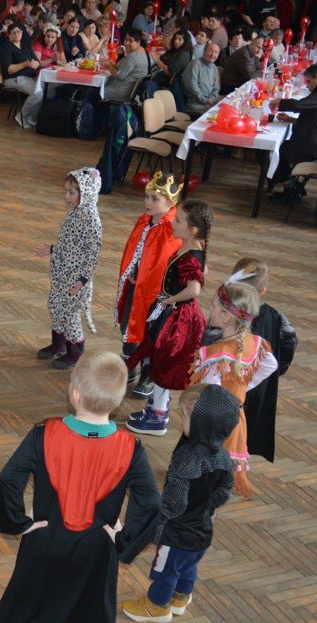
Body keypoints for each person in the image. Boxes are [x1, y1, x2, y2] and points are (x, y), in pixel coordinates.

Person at [0, 350, 161, 623]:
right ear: (116, 401)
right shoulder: (131, 448)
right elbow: (152, 504)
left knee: (43, 605)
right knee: (83, 605)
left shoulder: (44, 434)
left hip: (46, 542)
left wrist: (19, 522)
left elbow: (9, 481)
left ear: (75, 394)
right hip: (96, 550)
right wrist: (123, 539)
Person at [120, 383, 239, 623]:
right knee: (188, 565)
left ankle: (157, 606)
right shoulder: (225, 458)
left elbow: (175, 503)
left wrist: (159, 519)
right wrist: (204, 506)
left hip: (177, 534)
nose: (181, 421)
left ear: (202, 426)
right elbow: (223, 493)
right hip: (203, 530)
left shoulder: (185, 459)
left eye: (184, 417)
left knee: (165, 570)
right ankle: (181, 597)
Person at [125, 200, 212, 436]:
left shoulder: (190, 256)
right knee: (159, 361)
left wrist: (168, 300)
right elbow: (202, 271)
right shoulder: (192, 247)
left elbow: (194, 289)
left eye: (178, 221)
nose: (173, 223)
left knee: (165, 364)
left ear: (192, 229)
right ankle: (155, 408)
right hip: (173, 313)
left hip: (179, 319)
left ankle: (158, 417)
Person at [187, 279, 277, 497]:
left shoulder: (215, 355)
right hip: (235, 417)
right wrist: (243, 386)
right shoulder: (254, 343)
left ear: (226, 317)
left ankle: (205, 507)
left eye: (213, 306)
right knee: (220, 472)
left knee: (207, 474)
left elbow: (210, 393)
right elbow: (271, 364)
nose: (210, 309)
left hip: (213, 426)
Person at [116, 172, 184, 398]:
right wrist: (132, 271)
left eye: (155, 199)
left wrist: (151, 281)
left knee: (149, 333)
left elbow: (168, 263)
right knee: (128, 325)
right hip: (135, 287)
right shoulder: (144, 220)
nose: (148, 202)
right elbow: (134, 250)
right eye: (146, 196)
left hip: (156, 294)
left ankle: (148, 374)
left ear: (170, 203)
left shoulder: (172, 229)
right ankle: (130, 365)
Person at [230, 259, 297, 464]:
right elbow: (289, 343)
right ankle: (239, 462)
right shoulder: (277, 318)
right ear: (263, 291)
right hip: (260, 385)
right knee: (248, 429)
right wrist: (278, 371)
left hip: (231, 385)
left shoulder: (227, 314)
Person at [38, 167, 102, 370]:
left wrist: (82, 281)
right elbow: (71, 244)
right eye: (66, 191)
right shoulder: (75, 211)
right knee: (55, 306)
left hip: (76, 279)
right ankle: (59, 344)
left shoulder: (91, 219)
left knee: (70, 314)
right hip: (62, 273)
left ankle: (75, 353)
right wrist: (52, 249)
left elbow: (92, 255)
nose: (67, 196)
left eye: (71, 192)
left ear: (86, 193)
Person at [270, 64, 317, 204]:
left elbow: (300, 105)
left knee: (274, 150)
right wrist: (291, 119)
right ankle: (293, 185)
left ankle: (290, 189)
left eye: (309, 82)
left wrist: (280, 102)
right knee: (281, 146)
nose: (307, 86)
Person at [0, 23, 42, 128]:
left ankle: (31, 116)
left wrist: (35, 64)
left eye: (18, 32)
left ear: (22, 33)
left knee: (48, 90)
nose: (16, 34)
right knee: (38, 93)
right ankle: (22, 116)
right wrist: (24, 64)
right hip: (13, 78)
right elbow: (8, 69)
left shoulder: (25, 45)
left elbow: (37, 62)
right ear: (9, 35)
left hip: (29, 76)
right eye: (13, 33)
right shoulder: (6, 48)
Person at [102, 29, 149, 102]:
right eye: (126, 39)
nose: (126, 43)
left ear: (138, 42)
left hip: (121, 91)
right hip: (128, 89)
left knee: (94, 91)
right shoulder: (143, 52)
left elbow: (119, 75)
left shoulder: (133, 57)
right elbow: (122, 69)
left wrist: (109, 66)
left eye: (130, 40)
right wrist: (120, 55)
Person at [182, 42, 222, 113]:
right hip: (195, 104)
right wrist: (206, 100)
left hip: (210, 103)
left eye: (216, 52)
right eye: (210, 51)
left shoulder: (214, 68)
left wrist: (212, 99)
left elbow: (216, 88)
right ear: (204, 51)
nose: (213, 54)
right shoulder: (195, 64)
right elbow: (192, 86)